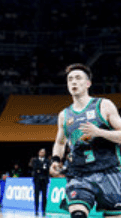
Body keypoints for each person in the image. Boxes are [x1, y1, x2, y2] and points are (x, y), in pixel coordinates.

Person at [49, 64, 121, 218]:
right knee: (78, 214)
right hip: (79, 174)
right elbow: (60, 143)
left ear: (88, 83)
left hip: (109, 171)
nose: (73, 82)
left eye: (78, 78)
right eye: (70, 79)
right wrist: (55, 160)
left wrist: (99, 132)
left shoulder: (103, 105)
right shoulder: (64, 115)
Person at [29, 148, 50, 215]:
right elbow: (35, 168)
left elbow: (47, 170)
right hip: (37, 180)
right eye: (41, 152)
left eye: (43, 152)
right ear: (38, 153)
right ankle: (36, 210)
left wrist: (40, 169)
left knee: (44, 196)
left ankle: (44, 210)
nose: (42, 153)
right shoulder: (35, 160)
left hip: (44, 181)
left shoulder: (47, 161)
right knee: (37, 196)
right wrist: (42, 169)